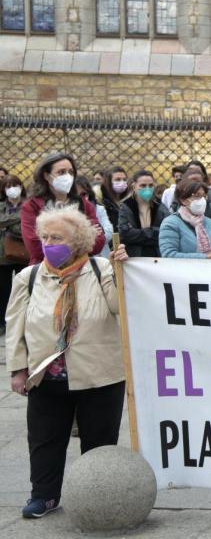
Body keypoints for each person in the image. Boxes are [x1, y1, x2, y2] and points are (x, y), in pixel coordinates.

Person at [6, 207, 125, 518]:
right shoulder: (29, 277)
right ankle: (44, 496)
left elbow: (119, 307)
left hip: (99, 374)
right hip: (46, 375)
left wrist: (122, 271)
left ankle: (99, 496)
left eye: (57, 237)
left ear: (78, 241)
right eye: (44, 237)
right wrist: (18, 370)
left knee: (99, 442)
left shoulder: (102, 270)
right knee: (45, 441)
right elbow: (15, 325)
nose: (49, 243)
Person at [21, 153, 105, 265]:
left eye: (71, 172)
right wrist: (81, 240)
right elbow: (35, 248)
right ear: (46, 175)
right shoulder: (31, 206)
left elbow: (98, 242)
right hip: (45, 270)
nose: (68, 176)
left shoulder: (84, 204)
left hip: (80, 269)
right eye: (61, 172)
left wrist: (56, 243)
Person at [158, 180, 211, 259]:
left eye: (204, 196)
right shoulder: (171, 223)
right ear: (183, 200)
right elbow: (168, 255)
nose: (202, 200)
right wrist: (205, 257)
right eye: (197, 196)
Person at [117, 170, 170, 258]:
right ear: (134, 186)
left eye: (150, 185)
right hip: (134, 257)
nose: (147, 189)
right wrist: (152, 232)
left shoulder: (160, 206)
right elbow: (124, 234)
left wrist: (138, 234)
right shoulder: (126, 206)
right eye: (143, 186)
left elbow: (167, 232)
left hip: (158, 256)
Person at [0, 175, 27, 332]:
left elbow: (26, 226)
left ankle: (23, 320)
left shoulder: (29, 204)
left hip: (24, 252)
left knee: (23, 288)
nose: (12, 188)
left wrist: (8, 225)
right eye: (8, 186)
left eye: (15, 184)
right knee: (3, 289)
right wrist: (19, 218)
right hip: (3, 254)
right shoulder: (2, 205)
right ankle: (2, 322)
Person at [74, 178, 113, 259]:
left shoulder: (98, 209)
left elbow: (109, 232)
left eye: (84, 194)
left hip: (101, 257)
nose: (80, 198)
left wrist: (98, 235)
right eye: (76, 194)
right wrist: (89, 233)